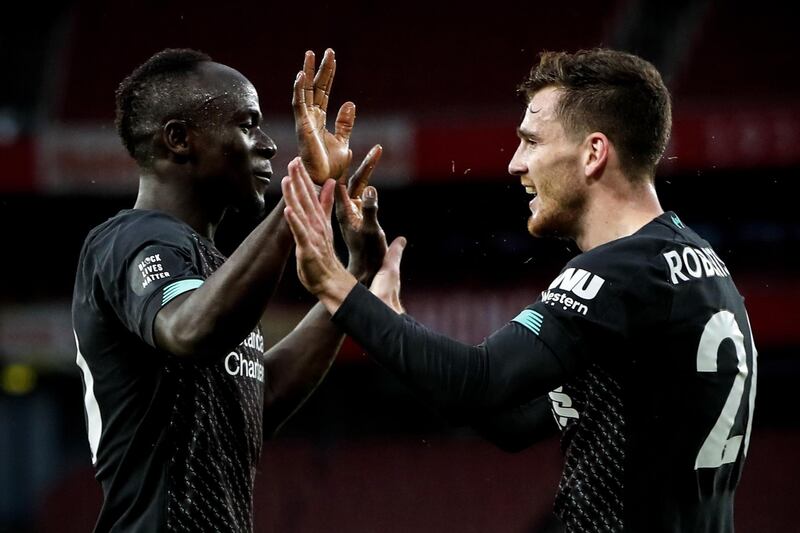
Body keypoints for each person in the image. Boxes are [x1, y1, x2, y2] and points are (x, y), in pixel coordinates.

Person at [281, 48, 758, 532]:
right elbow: (513, 421)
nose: (515, 164)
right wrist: (389, 316)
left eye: (531, 142)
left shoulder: (620, 272)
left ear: (594, 153)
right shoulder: (699, 270)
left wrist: (334, 283)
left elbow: (479, 381)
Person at [72, 47, 387, 532]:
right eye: (247, 124)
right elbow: (190, 329)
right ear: (179, 139)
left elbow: (262, 401)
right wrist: (301, 194)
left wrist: (357, 275)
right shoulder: (128, 240)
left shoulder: (214, 270)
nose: (267, 144)